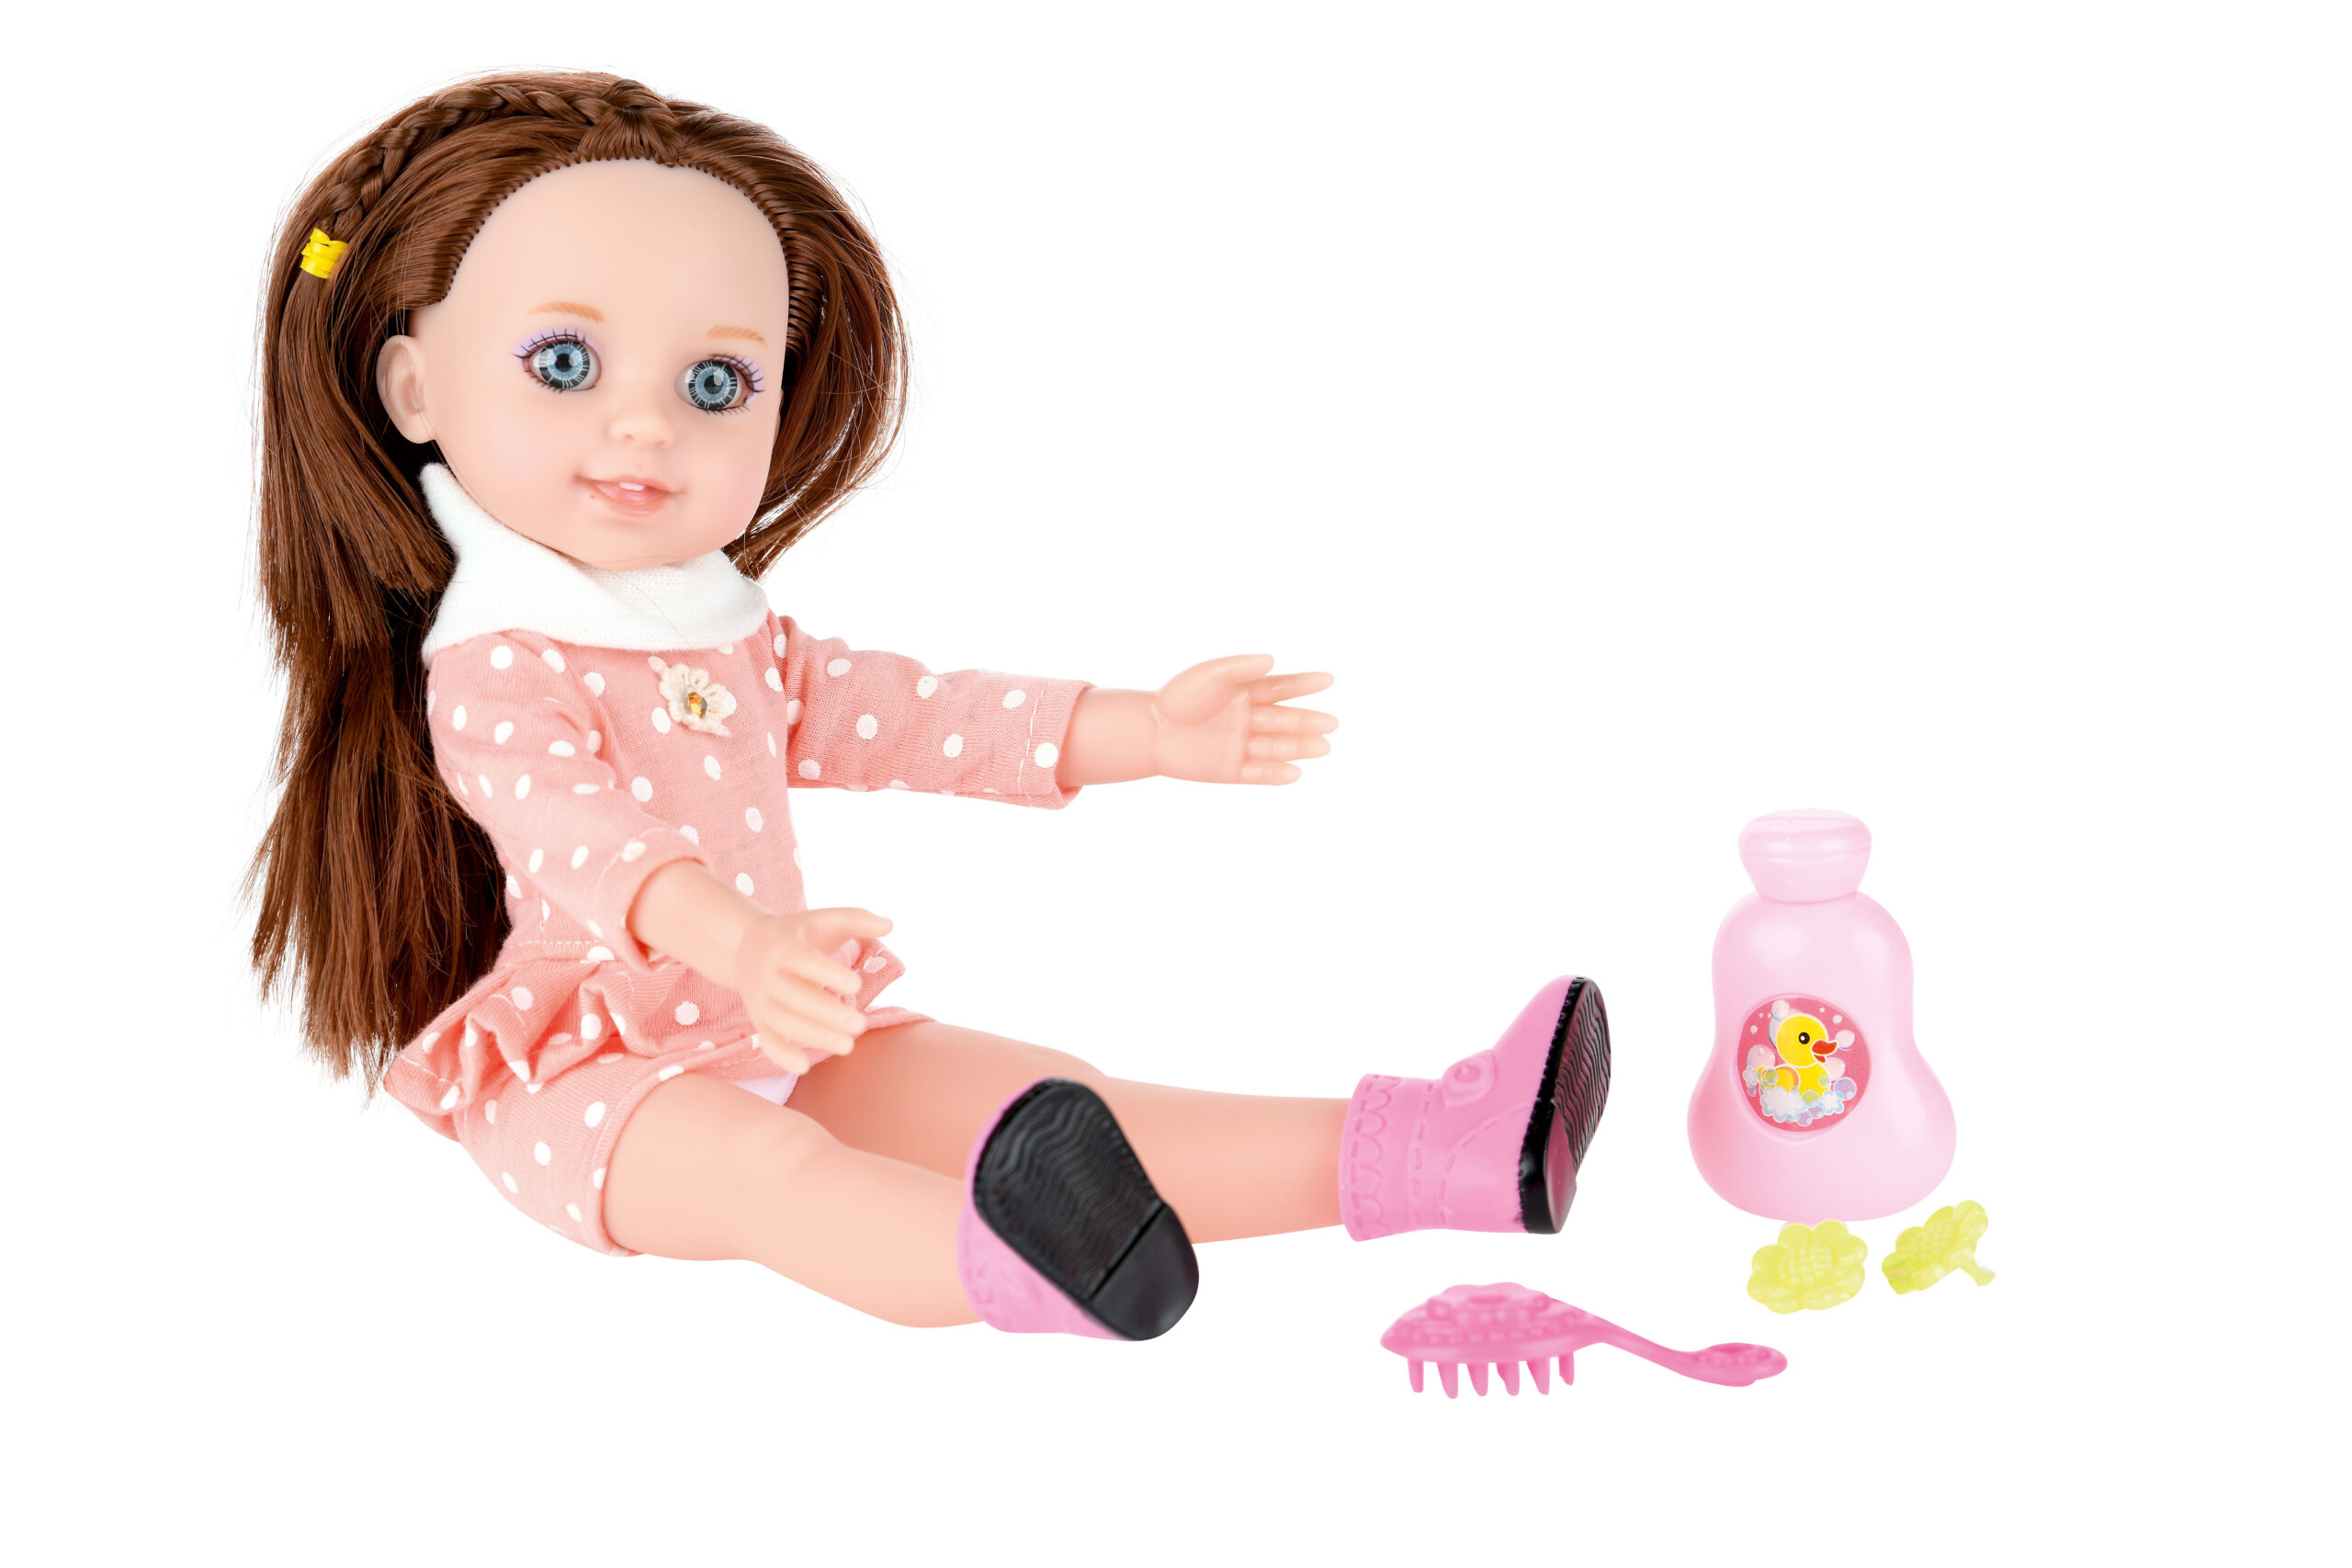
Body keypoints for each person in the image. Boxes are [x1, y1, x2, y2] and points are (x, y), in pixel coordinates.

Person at [251, 70, 1610, 1338]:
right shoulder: (498, 666)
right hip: (585, 1079)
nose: (649, 426)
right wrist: (747, 946)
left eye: (716, 383)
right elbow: (589, 842)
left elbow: (917, 716)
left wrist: (1142, 728)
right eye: (565, 365)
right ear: (413, 387)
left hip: (766, 1016)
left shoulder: (726, 635)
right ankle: (1025, 1266)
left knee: (1059, 1102)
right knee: (774, 1172)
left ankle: (1452, 1150)